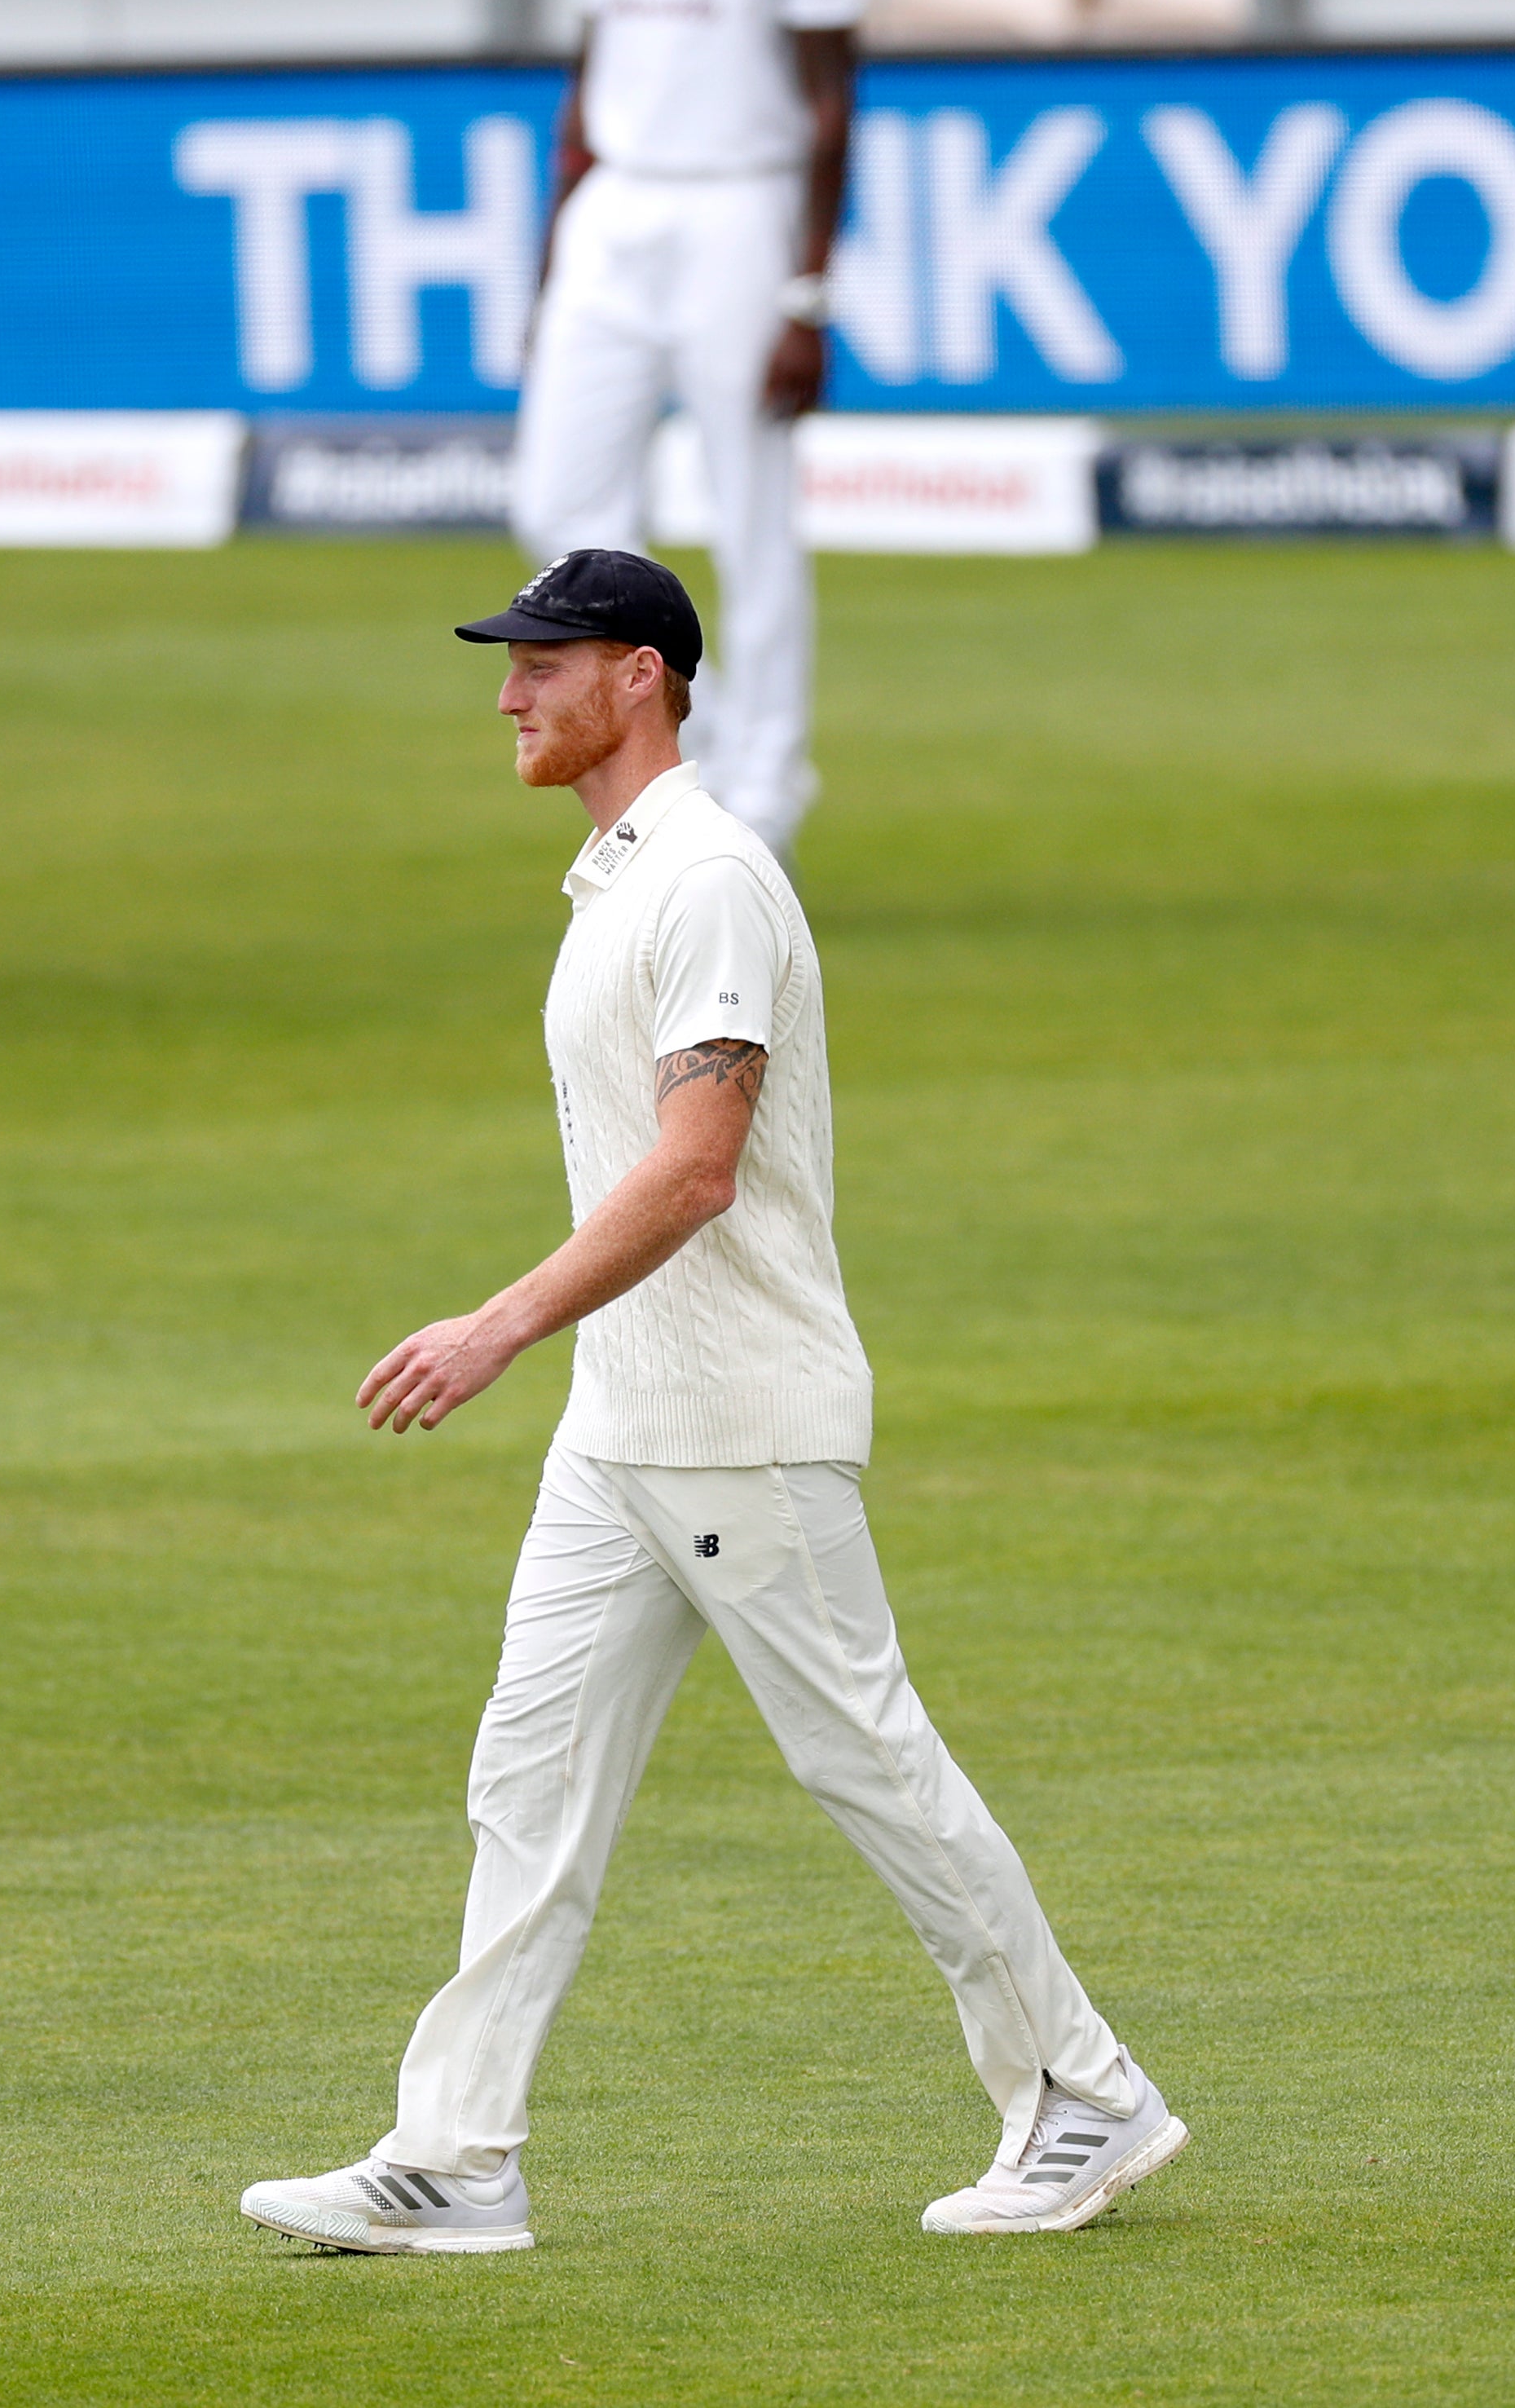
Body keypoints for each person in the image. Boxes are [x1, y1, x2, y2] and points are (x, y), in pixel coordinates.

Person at [238, 550, 1182, 2256]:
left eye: (545, 661)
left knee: (873, 1768)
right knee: (525, 1785)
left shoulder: (712, 881)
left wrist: (497, 1325)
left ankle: (1084, 2093)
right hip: (624, 1433)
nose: (510, 693)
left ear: (643, 675)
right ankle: (455, 2158)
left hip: (740, 1417)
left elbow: (695, 1172)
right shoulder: (616, 879)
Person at [509, 0, 860, 860]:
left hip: (744, 202)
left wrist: (808, 293)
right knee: (556, 505)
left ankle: (766, 799)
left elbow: (833, 98)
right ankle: (676, 760)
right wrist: (554, 249)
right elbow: (593, 66)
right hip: (618, 202)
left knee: (749, 515)